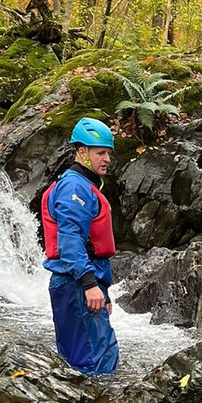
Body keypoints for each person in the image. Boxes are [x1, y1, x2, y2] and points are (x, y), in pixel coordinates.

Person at [40, 117, 119, 375]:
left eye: (108, 153)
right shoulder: (74, 186)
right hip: (75, 283)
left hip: (80, 283)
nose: (107, 159)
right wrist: (89, 285)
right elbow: (70, 240)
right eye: (100, 153)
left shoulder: (83, 185)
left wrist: (102, 290)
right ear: (82, 152)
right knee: (95, 363)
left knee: (92, 358)